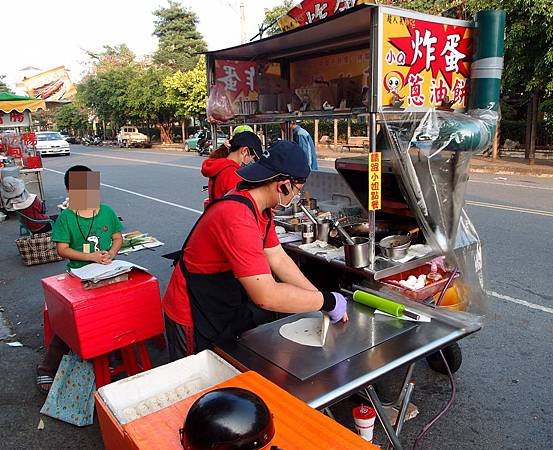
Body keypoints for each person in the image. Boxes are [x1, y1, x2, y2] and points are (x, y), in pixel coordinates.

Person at [163, 140, 347, 360]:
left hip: (221, 296)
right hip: (192, 309)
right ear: (283, 185)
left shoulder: (261, 209)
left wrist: (316, 298)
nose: (296, 196)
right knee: (197, 379)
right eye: (297, 190)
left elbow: (278, 258)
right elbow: (266, 295)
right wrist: (328, 301)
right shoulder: (237, 216)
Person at [36, 165, 123, 393]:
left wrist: (112, 254)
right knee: (70, 324)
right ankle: (46, 367)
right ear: (69, 190)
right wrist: (90, 257)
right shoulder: (66, 217)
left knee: (114, 315)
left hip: (105, 273)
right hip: (77, 277)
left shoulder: (107, 211)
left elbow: (117, 237)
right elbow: (61, 250)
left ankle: (110, 355)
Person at [201, 130, 263, 206]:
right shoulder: (232, 173)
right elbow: (241, 205)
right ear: (244, 151)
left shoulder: (221, 166)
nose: (251, 160)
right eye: (253, 157)